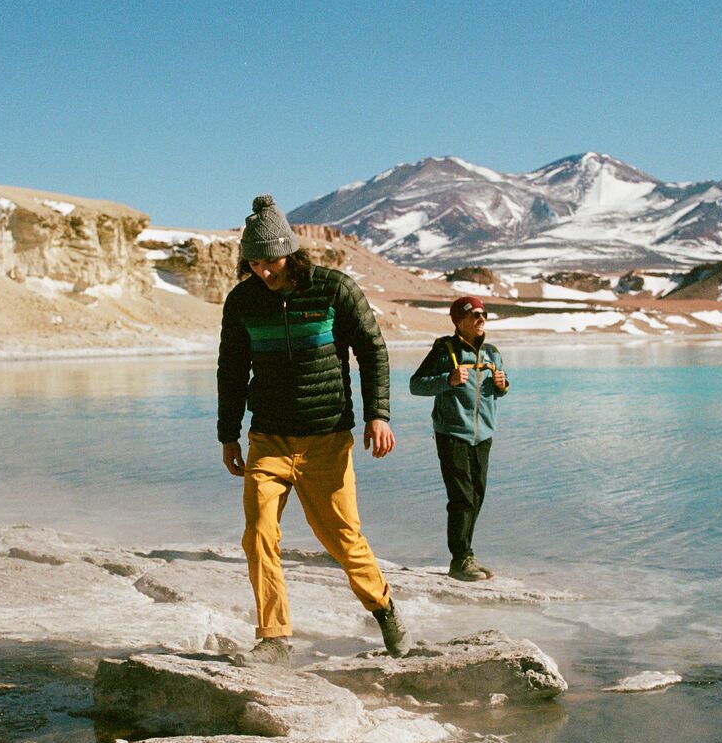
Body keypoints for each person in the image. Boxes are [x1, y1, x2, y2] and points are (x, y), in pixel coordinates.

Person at [217, 194, 413, 666]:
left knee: (343, 539)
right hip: (269, 438)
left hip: (327, 438)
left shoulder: (332, 289)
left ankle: (384, 609)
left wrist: (378, 415)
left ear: (290, 251)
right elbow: (230, 369)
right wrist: (229, 434)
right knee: (259, 532)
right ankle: (274, 638)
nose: (263, 271)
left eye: (271, 260)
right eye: (255, 262)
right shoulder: (242, 301)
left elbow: (372, 351)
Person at [409, 295, 509, 581]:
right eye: (473, 315)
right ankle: (460, 559)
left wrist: (503, 386)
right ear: (458, 321)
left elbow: (495, 390)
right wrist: (447, 380)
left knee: (476, 495)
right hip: (452, 434)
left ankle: (467, 554)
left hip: (483, 435)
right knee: (462, 498)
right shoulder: (444, 350)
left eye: (483, 314)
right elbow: (416, 385)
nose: (481, 319)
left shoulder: (492, 352)